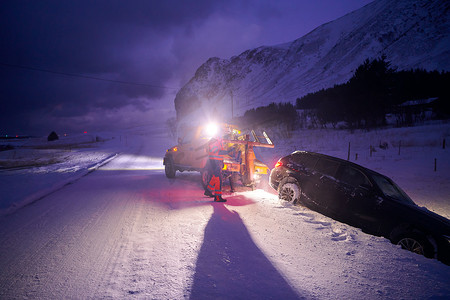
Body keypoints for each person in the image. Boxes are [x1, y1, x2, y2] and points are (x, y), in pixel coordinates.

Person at [204, 135, 227, 202]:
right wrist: (228, 151)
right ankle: (217, 197)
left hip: (216, 162)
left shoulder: (219, 141)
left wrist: (221, 162)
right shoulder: (213, 141)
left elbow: (219, 153)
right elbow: (216, 152)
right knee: (218, 179)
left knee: (215, 177)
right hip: (214, 162)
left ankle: (208, 191)